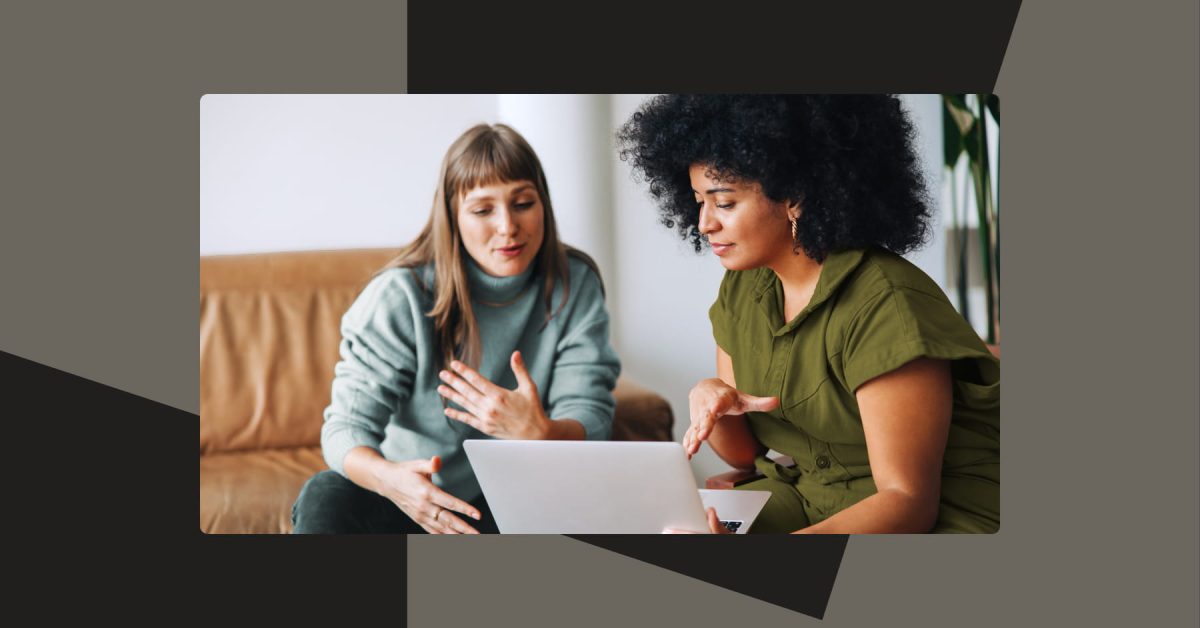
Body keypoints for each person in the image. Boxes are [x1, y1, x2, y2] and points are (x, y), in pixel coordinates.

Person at [618, 95, 999, 534]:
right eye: (698, 200)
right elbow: (744, 456)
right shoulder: (743, 287)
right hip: (810, 496)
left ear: (795, 196)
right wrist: (712, 399)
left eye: (723, 203)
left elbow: (907, 503)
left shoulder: (886, 304)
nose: (704, 223)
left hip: (936, 515)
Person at [292, 123, 620, 534]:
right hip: (411, 496)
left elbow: (589, 414)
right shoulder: (401, 295)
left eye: (522, 203)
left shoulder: (574, 281)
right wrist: (392, 482)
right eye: (483, 210)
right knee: (326, 494)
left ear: (543, 205)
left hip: (517, 494)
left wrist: (541, 433)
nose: (507, 226)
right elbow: (345, 430)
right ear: (452, 216)